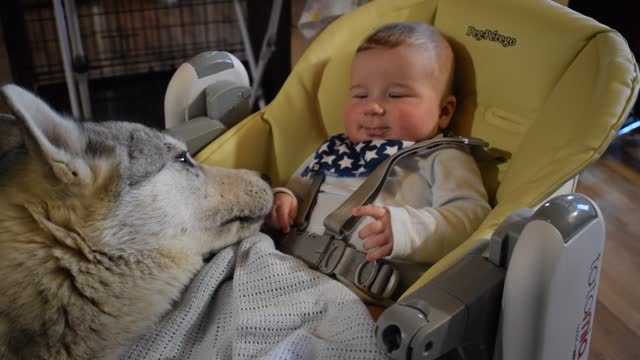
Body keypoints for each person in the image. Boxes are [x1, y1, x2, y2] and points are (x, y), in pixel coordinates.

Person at [266, 22, 491, 270]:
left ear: (444, 111)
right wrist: (283, 200)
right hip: (284, 260)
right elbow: (298, 188)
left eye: (395, 95)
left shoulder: (442, 155)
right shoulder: (334, 149)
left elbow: (472, 218)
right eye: (361, 96)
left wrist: (406, 229)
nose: (372, 107)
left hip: (359, 287)